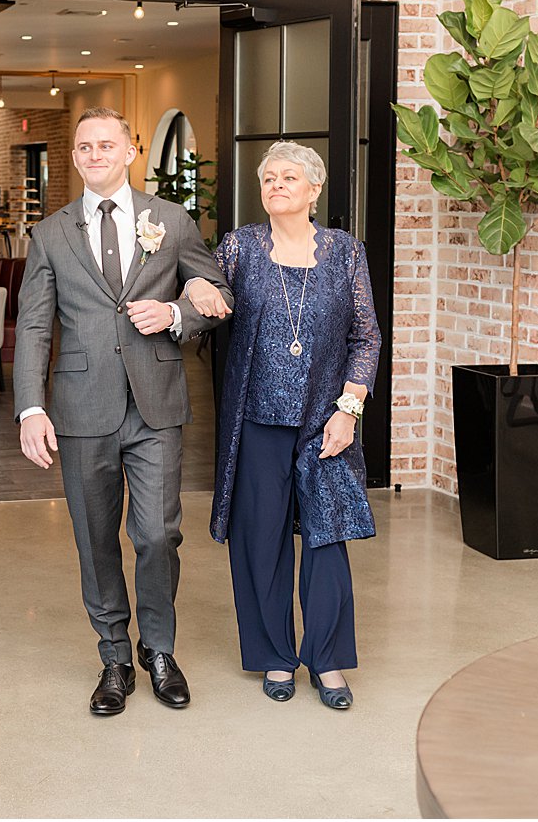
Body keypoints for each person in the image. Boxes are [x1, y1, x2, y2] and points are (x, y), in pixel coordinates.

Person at [14, 106, 234, 717]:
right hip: (81, 408)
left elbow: (218, 294)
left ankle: (158, 649)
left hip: (156, 402)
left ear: (130, 150)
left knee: (159, 534)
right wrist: (31, 408)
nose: (94, 154)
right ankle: (114, 655)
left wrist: (176, 317)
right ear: (75, 157)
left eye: (105, 144)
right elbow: (33, 325)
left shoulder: (171, 220)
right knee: (95, 538)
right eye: (84, 147)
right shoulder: (50, 234)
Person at [185, 140, 380, 709]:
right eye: (268, 178)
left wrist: (349, 409)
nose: (275, 186)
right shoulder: (241, 246)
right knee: (260, 540)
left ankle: (328, 661)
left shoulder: (344, 252)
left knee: (326, 538)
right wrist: (196, 287)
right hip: (256, 421)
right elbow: (206, 297)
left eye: (289, 178)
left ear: (314, 189)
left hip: (326, 420)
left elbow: (365, 336)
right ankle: (274, 655)